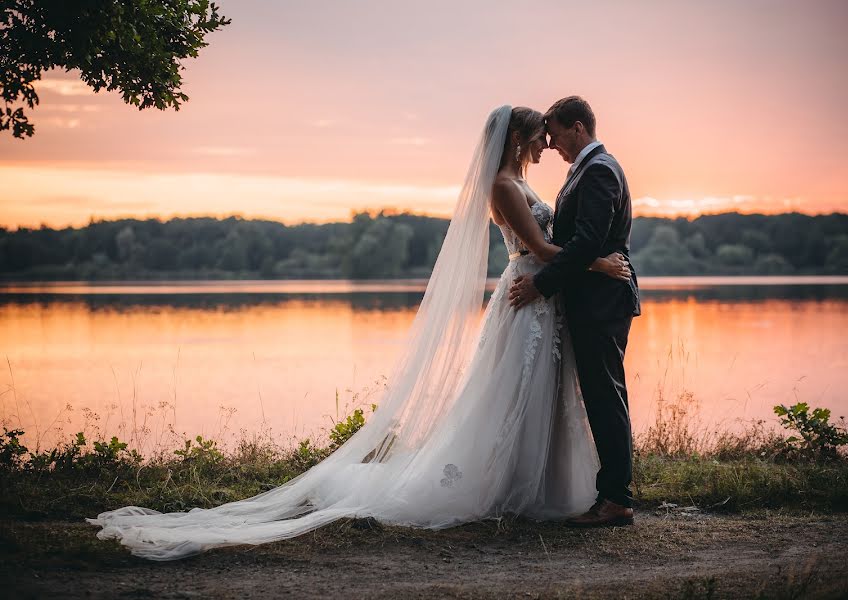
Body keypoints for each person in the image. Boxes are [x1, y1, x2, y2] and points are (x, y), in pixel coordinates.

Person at [89, 105, 632, 561]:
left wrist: (578, 269)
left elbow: (556, 242)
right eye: (539, 138)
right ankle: (504, 486)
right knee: (510, 392)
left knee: (540, 394)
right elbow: (538, 250)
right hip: (528, 294)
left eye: (551, 138)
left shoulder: (531, 179)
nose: (546, 146)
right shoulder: (503, 185)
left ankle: (540, 486)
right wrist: (596, 266)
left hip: (543, 298)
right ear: (518, 138)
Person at [509, 96, 641, 527]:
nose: (550, 144)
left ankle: (616, 498)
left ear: (579, 128)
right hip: (590, 298)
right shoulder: (585, 170)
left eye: (556, 134)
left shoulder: (600, 170)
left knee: (605, 395)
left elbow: (587, 241)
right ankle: (611, 493)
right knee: (602, 394)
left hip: (601, 301)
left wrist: (541, 285)